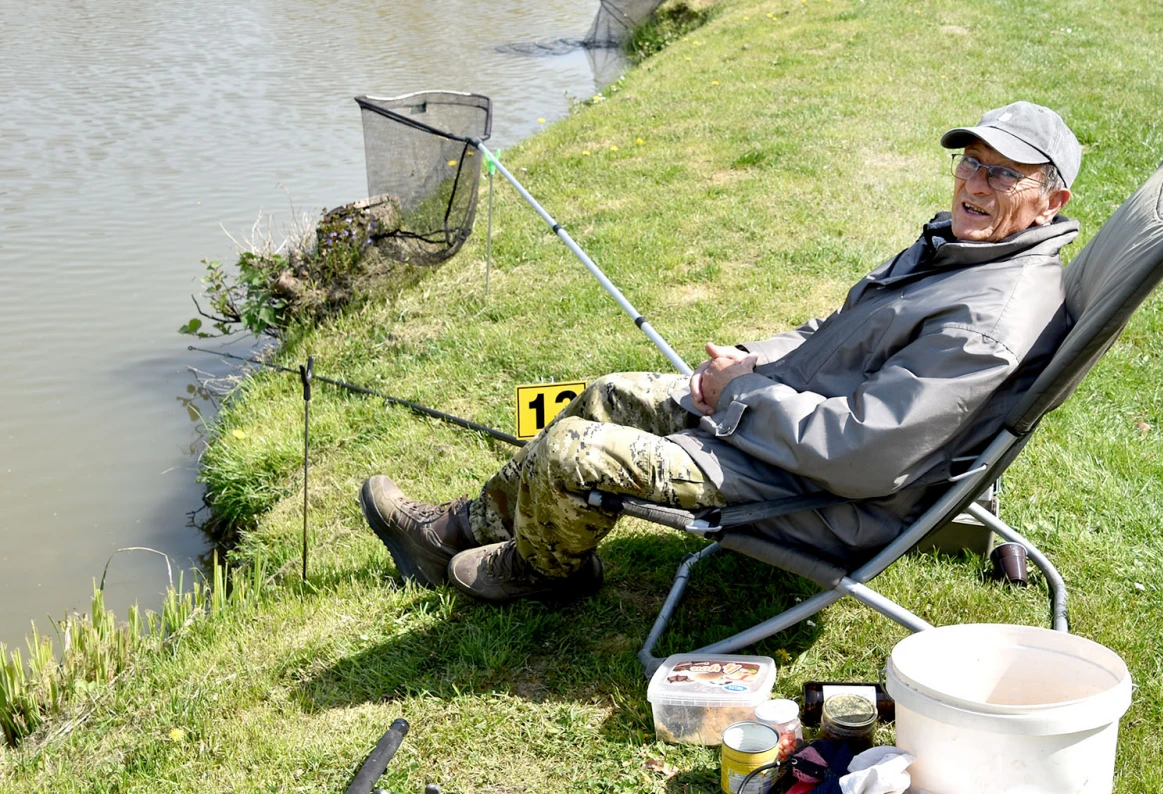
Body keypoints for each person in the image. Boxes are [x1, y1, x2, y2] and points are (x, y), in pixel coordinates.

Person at [359, 101, 1081, 603]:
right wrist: (745, 360)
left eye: (1001, 174)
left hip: (821, 495)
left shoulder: (991, 315)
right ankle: (457, 528)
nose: (971, 183)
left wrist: (738, 396)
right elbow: (833, 329)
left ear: (1051, 199)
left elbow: (867, 455)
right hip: (787, 432)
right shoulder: (955, 252)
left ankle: (543, 573)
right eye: (969, 162)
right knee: (610, 393)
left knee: (576, 452)